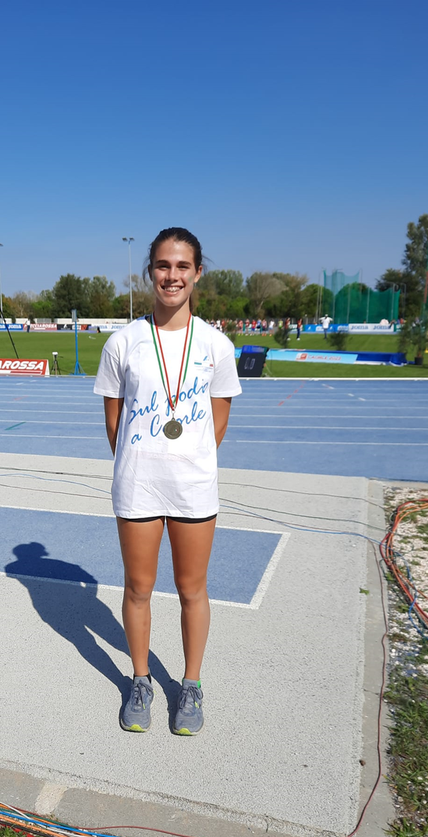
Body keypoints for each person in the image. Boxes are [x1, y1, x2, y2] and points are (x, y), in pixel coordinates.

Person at [94, 227, 242, 736]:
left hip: (194, 487)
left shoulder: (216, 345)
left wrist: (187, 460)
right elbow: (114, 421)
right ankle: (140, 680)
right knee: (138, 587)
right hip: (137, 484)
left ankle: (192, 684)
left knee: (192, 589)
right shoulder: (124, 343)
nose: (172, 275)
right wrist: (143, 460)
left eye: (182, 266)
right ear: (149, 272)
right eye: (162, 265)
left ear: (197, 272)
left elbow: (217, 422)